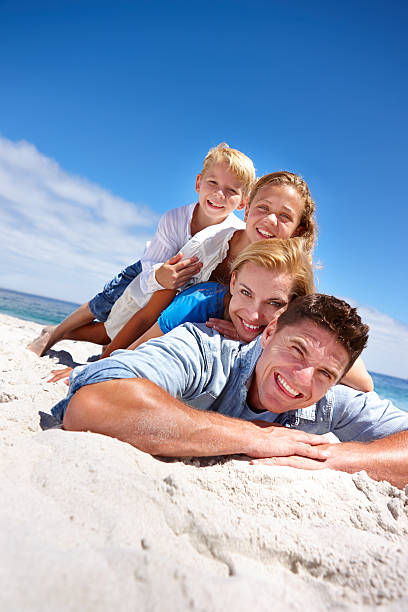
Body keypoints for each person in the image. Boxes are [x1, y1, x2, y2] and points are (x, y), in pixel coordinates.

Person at [55, 294, 408, 488]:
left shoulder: (330, 400)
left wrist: (332, 459)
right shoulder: (205, 350)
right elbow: (94, 403)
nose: (302, 379)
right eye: (297, 350)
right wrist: (252, 436)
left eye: (325, 373)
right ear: (268, 334)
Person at [44, 170, 318, 359]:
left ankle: (60, 334)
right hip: (159, 306)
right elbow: (152, 311)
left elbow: (299, 332)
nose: (270, 221)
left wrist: (251, 332)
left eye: (284, 216)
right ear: (246, 210)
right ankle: (55, 334)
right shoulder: (206, 246)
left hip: (204, 339)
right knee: (104, 333)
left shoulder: (292, 276)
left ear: (298, 228)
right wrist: (104, 363)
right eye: (263, 208)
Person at [27, 142, 256, 357]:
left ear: (243, 202)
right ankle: (55, 334)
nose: (219, 194)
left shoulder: (235, 233)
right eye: (212, 183)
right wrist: (159, 275)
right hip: (147, 269)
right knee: (101, 303)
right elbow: (150, 267)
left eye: (231, 190)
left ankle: (58, 332)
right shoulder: (174, 218)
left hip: (174, 287)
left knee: (107, 333)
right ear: (198, 183)